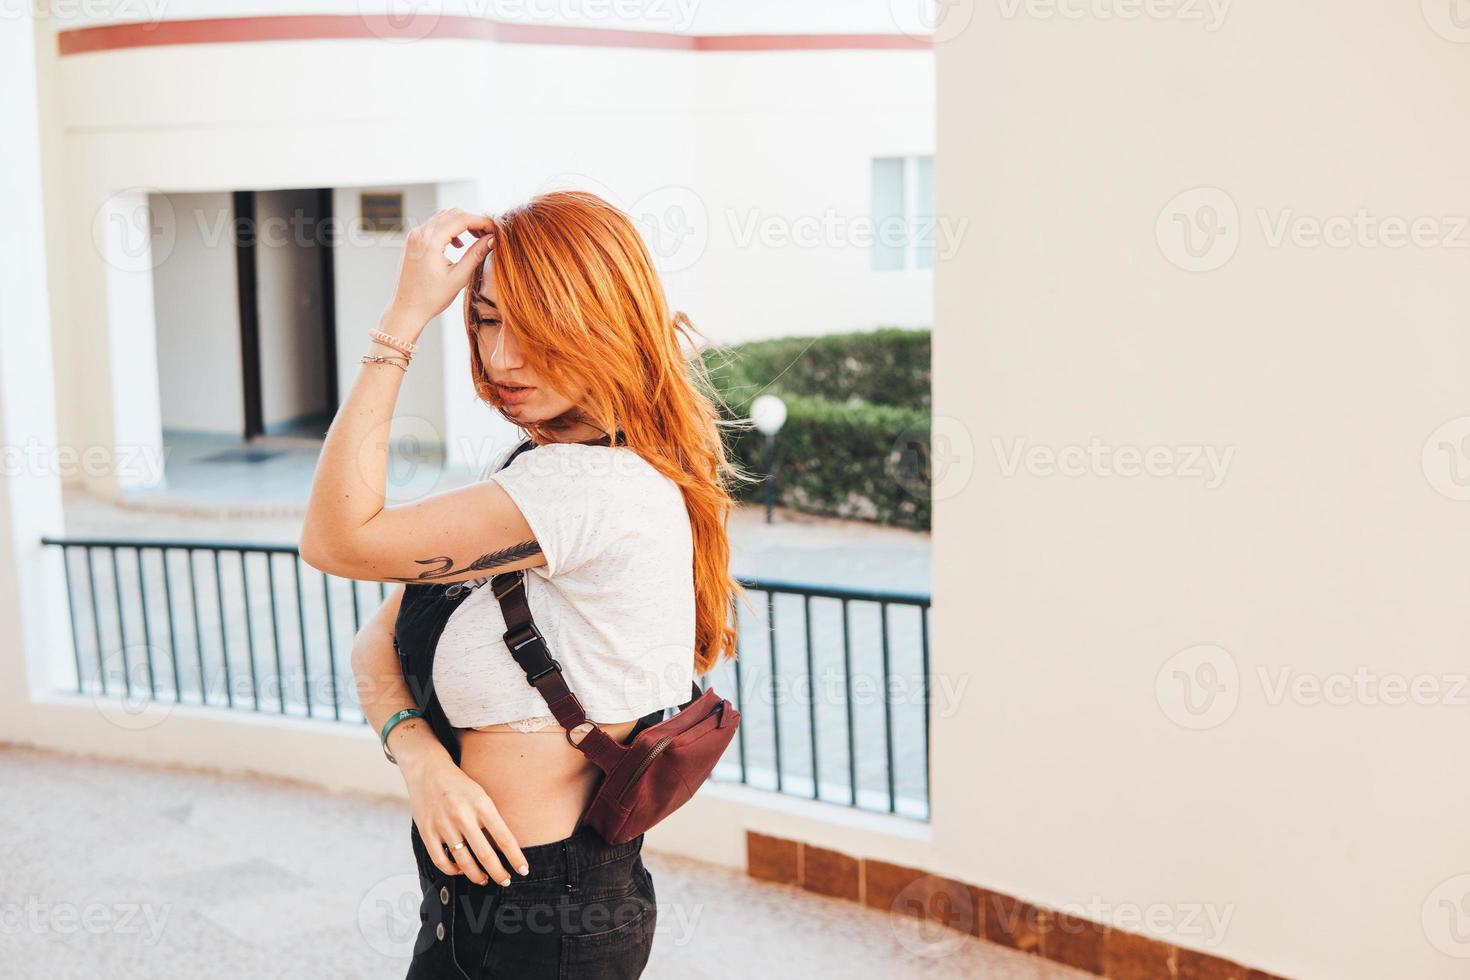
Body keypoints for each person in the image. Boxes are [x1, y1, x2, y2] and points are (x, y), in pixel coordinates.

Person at [298, 191, 751, 978]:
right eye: (485, 319)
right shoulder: (534, 474)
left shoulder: (585, 489)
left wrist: (402, 323)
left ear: (607, 322)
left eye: (539, 329)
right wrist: (420, 758)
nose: (503, 358)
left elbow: (335, 538)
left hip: (548, 917)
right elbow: (378, 637)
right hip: (466, 905)